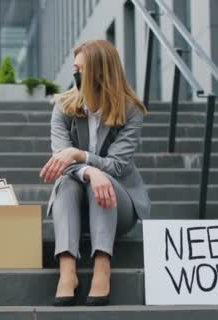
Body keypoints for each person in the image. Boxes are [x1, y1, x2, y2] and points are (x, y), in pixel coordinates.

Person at [39, 39, 151, 306]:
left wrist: (81, 157)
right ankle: (67, 271)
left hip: (118, 206)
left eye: (82, 69)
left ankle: (102, 266)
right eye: (74, 68)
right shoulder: (64, 106)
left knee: (103, 180)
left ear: (102, 72)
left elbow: (118, 166)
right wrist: (90, 171)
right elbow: (60, 159)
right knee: (68, 182)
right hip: (76, 203)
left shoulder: (130, 110)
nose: (76, 74)